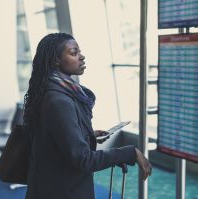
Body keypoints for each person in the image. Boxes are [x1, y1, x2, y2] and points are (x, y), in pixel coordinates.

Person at [23, 33, 152, 199]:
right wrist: (130, 153)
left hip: (50, 185)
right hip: (62, 191)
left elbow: (54, 140)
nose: (82, 57)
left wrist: (87, 134)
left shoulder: (51, 90)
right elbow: (83, 159)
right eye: (74, 52)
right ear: (56, 60)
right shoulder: (59, 100)